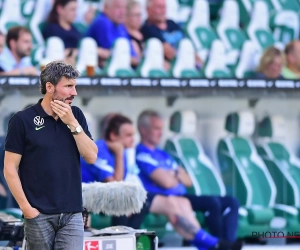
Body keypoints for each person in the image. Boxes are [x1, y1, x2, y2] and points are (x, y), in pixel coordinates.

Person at [82, 114, 242, 250]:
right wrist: (119, 153)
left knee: (174, 202)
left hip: (116, 195)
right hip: (89, 197)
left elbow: (187, 180)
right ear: (113, 137)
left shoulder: (128, 150)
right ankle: (211, 243)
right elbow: (115, 184)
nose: (133, 140)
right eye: (128, 135)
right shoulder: (100, 149)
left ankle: (211, 243)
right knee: (137, 200)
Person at [4, 61, 98, 250]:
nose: (74, 92)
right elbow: (10, 168)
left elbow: (91, 156)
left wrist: (72, 123)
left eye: (75, 86)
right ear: (49, 87)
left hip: (72, 213)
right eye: (68, 86)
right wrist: (27, 209)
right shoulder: (22, 120)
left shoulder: (76, 115)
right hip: (39, 214)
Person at [136, 110, 241, 246]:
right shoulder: (141, 154)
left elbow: (188, 181)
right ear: (143, 130)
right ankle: (218, 244)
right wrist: (176, 175)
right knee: (212, 202)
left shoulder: (162, 154)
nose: (160, 133)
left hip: (182, 195)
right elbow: (167, 183)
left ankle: (227, 243)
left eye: (161, 129)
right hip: (164, 198)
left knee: (231, 201)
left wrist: (174, 175)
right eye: (156, 128)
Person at [141, 0, 202, 70]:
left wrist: (198, 60)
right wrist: (189, 59)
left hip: (187, 61)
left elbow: (188, 45)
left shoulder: (172, 23)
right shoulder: (148, 28)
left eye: (164, 7)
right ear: (148, 9)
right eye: (158, 7)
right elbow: (169, 53)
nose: (162, 10)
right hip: (172, 66)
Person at [85, 0, 139, 67]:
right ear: (106, 7)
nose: (122, 12)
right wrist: (130, 58)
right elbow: (115, 54)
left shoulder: (120, 26)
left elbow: (134, 57)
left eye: (124, 7)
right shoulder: (102, 22)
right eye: (118, 7)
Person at [43, 0, 82, 65]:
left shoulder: (76, 30)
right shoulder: (52, 30)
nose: (75, 14)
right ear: (60, 9)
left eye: (76, 10)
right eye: (72, 10)